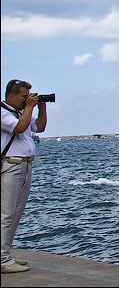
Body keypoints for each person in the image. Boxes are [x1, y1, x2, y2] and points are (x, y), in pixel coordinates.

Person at [1, 79, 48, 274]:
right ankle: (3, 259)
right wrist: (29, 108)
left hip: (25, 165)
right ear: (10, 96)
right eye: (23, 96)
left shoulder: (21, 113)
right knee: (6, 213)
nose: (26, 100)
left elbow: (40, 127)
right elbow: (19, 128)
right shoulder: (3, 112)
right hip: (11, 165)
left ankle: (5, 253)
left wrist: (42, 108)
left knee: (16, 213)